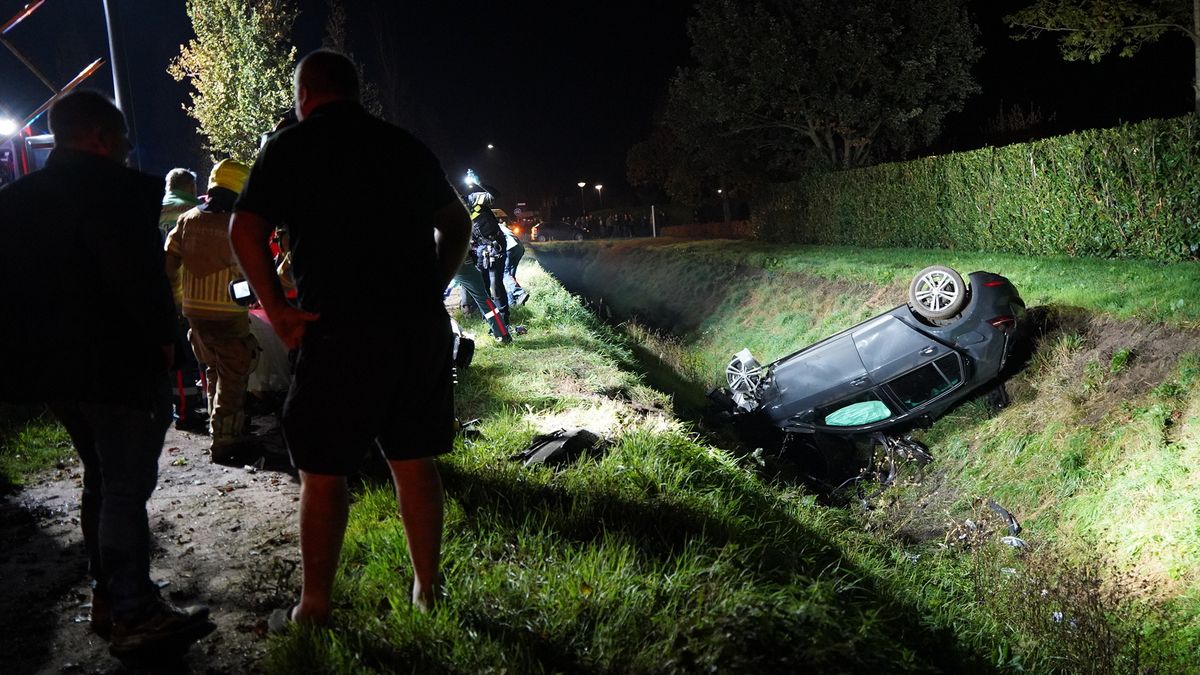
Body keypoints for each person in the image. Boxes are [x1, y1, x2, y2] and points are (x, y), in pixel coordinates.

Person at [230, 49, 471, 625]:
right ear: (355, 91)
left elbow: (245, 227)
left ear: (304, 94)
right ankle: (427, 590)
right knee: (414, 461)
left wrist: (279, 310)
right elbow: (456, 222)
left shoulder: (289, 146)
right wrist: (431, 286)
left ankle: (314, 605)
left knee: (323, 467)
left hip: (337, 329)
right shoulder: (403, 144)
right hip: (415, 330)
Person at [0, 91, 214, 658]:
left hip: (53, 370)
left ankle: (107, 596)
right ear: (98, 135)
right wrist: (166, 342)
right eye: (119, 135)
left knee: (99, 479)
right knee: (124, 487)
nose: (126, 146)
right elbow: (137, 278)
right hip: (116, 364)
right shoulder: (114, 193)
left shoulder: (18, 200)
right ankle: (134, 614)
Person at [164, 159, 260, 464]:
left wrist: (180, 298)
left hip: (195, 313)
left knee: (213, 369)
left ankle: (217, 428)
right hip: (228, 314)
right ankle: (225, 442)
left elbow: (169, 262)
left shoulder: (188, 219)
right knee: (234, 375)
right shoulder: (236, 223)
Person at [158, 168, 207, 433]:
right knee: (203, 352)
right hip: (196, 291)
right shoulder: (195, 210)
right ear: (190, 187)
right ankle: (208, 406)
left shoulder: (153, 208)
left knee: (176, 357)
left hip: (163, 292)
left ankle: (183, 409)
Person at [498, 219, 529, 309]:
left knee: (505, 274)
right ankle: (512, 303)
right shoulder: (501, 226)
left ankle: (519, 293)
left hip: (509, 247)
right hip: (519, 248)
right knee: (510, 277)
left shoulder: (491, 227)